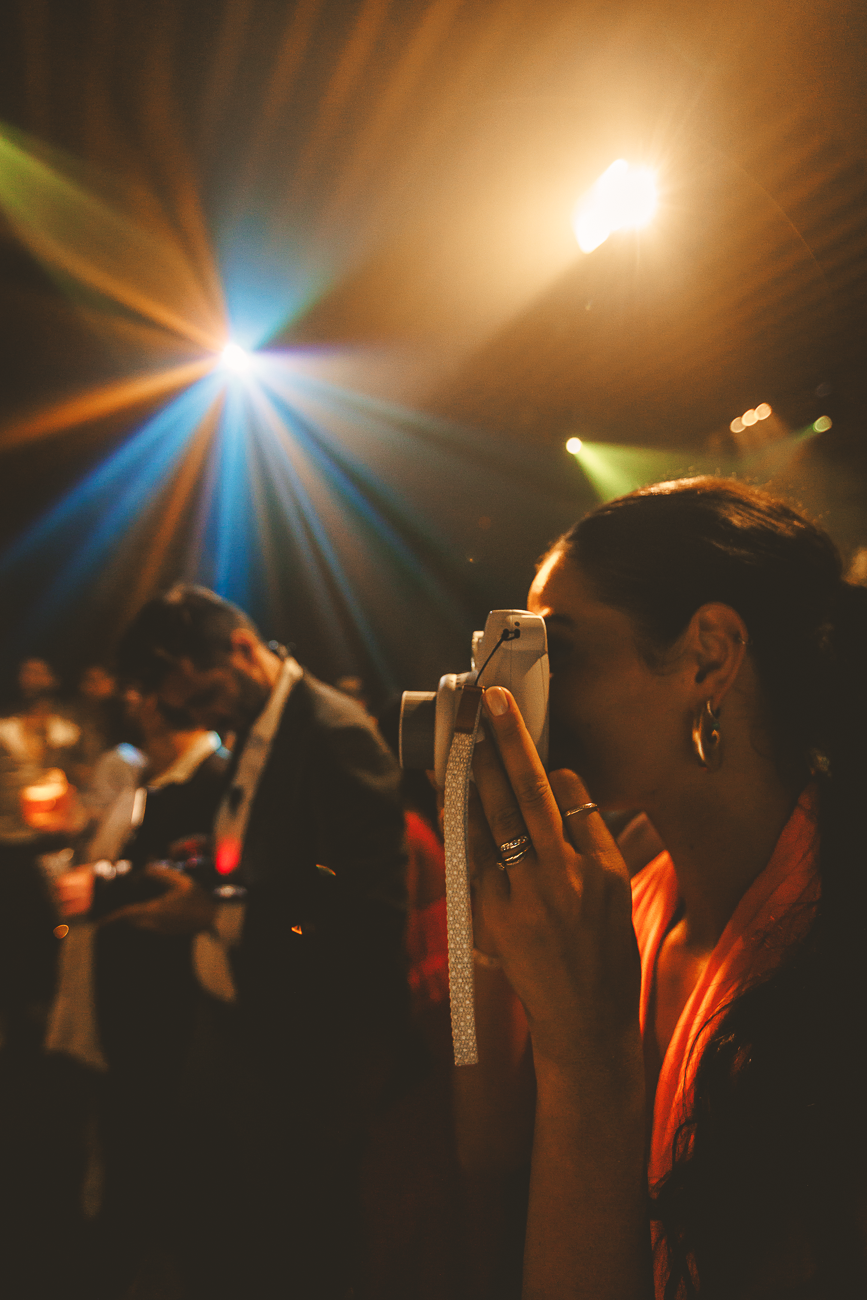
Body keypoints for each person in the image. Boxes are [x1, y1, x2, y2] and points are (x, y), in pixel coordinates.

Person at [465, 477, 867, 1299]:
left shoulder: (835, 950)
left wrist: (587, 1053)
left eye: (558, 652)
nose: (521, 696)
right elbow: (488, 1154)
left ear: (707, 657)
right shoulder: (633, 899)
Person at [112, 584, 409, 1300]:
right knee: (230, 1234)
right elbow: (267, 861)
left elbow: (364, 915)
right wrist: (198, 887)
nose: (200, 716)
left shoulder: (332, 731)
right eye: (187, 710)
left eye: (202, 694)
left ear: (243, 649)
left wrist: (216, 917)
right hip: (235, 1026)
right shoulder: (250, 724)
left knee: (299, 1249)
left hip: (304, 1051)